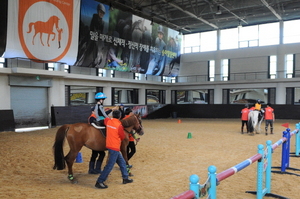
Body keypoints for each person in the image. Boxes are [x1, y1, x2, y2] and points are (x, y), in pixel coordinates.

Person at [95, 110, 133, 189]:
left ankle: (125, 178)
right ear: (119, 116)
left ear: (113, 115)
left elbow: (105, 120)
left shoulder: (109, 121)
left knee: (122, 162)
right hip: (115, 147)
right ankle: (100, 181)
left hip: (109, 145)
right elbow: (122, 137)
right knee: (109, 166)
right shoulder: (119, 125)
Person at [88, 106, 105, 174]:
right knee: (101, 153)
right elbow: (95, 126)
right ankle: (96, 168)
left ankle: (92, 169)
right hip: (94, 138)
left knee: (94, 154)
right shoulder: (92, 118)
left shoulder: (94, 117)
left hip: (95, 138)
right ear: (93, 112)